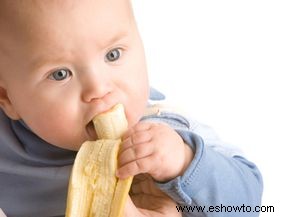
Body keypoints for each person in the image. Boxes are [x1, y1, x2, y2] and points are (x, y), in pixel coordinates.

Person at [0, 0, 263, 216]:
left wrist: (183, 162)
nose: (99, 89)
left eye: (112, 55)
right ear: (7, 98)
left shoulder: (163, 134)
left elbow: (247, 205)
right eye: (60, 74)